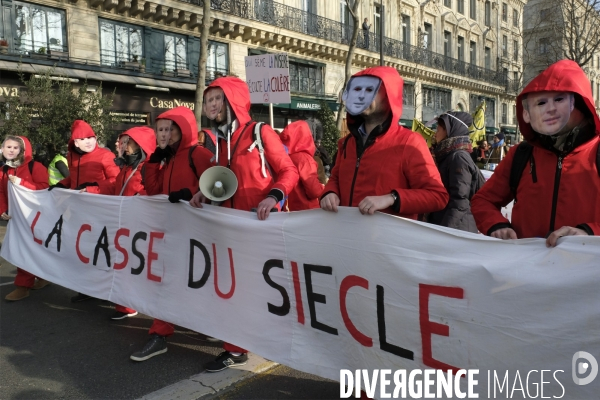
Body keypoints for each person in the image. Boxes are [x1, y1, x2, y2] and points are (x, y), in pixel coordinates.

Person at [189, 76, 298, 372]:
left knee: (259, 290)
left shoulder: (260, 132)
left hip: (258, 226)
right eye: (208, 100)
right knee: (235, 288)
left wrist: (273, 198)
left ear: (232, 100)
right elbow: (221, 181)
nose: (211, 104)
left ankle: (266, 338)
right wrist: (204, 192)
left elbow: (289, 171)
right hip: (230, 228)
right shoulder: (220, 142)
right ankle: (236, 348)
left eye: (216, 98)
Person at [471, 59, 600, 246]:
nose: (550, 109)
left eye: (559, 99)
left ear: (580, 104)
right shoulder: (521, 155)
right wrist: (496, 225)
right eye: (541, 103)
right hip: (526, 270)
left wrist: (589, 233)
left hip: (587, 271)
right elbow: (483, 200)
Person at [129, 106, 213, 362]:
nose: (165, 134)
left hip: (198, 232)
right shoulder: (166, 158)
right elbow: (154, 191)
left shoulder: (199, 154)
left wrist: (190, 192)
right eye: (162, 129)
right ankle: (160, 333)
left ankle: (206, 324)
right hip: (172, 230)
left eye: (171, 128)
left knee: (199, 282)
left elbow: (216, 184)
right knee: (165, 281)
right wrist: (154, 162)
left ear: (183, 128)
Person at [320, 66, 448, 218]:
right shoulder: (347, 143)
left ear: (389, 95)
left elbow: (437, 196)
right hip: (348, 235)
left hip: (389, 239)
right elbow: (335, 178)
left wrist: (392, 198)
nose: (361, 96)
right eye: (357, 89)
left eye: (370, 90)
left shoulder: (409, 142)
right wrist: (330, 192)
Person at [84, 126, 156, 320]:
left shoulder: (147, 167)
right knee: (125, 265)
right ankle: (126, 305)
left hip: (140, 226)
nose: (121, 145)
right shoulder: (126, 167)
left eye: (126, 141)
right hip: (125, 225)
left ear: (139, 145)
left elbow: (153, 193)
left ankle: (136, 302)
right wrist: (90, 190)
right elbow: (115, 186)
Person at [51, 120, 121, 303]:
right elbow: (74, 180)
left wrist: (92, 189)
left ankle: (106, 290)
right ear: (75, 142)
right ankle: (87, 288)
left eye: (91, 137)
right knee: (82, 252)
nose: (89, 141)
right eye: (83, 138)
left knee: (102, 252)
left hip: (100, 212)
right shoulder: (72, 157)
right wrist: (60, 185)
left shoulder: (105, 155)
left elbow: (116, 181)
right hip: (79, 214)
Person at [1, 136, 50, 301]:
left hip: (35, 217)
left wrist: (21, 183)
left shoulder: (35, 166)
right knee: (23, 249)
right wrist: (2, 209)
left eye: (15, 147)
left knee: (27, 249)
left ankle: (23, 286)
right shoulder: (4, 169)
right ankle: (39, 278)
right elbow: (0, 192)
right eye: (9, 147)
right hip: (15, 217)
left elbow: (44, 189)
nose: (11, 150)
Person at [427, 112, 481, 233]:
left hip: (457, 229)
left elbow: (460, 201)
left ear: (448, 130)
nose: (435, 134)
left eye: (438, 129)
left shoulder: (458, 157)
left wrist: (444, 231)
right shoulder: (447, 154)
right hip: (449, 225)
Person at [280, 120, 324, 210]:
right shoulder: (304, 159)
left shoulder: (284, 157)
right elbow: (314, 191)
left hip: (289, 209)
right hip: (307, 211)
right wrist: (322, 188)